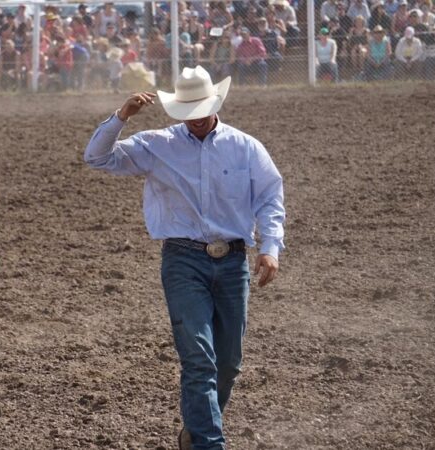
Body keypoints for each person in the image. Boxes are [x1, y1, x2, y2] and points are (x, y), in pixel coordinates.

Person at [83, 65, 284, 450]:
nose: (194, 118)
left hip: (233, 261)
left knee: (228, 363)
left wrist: (270, 247)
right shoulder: (157, 144)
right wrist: (121, 117)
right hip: (183, 261)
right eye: (186, 111)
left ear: (214, 104)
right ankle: (210, 443)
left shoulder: (245, 147)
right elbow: (97, 158)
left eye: (200, 109)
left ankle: (195, 433)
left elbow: (270, 197)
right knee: (198, 357)